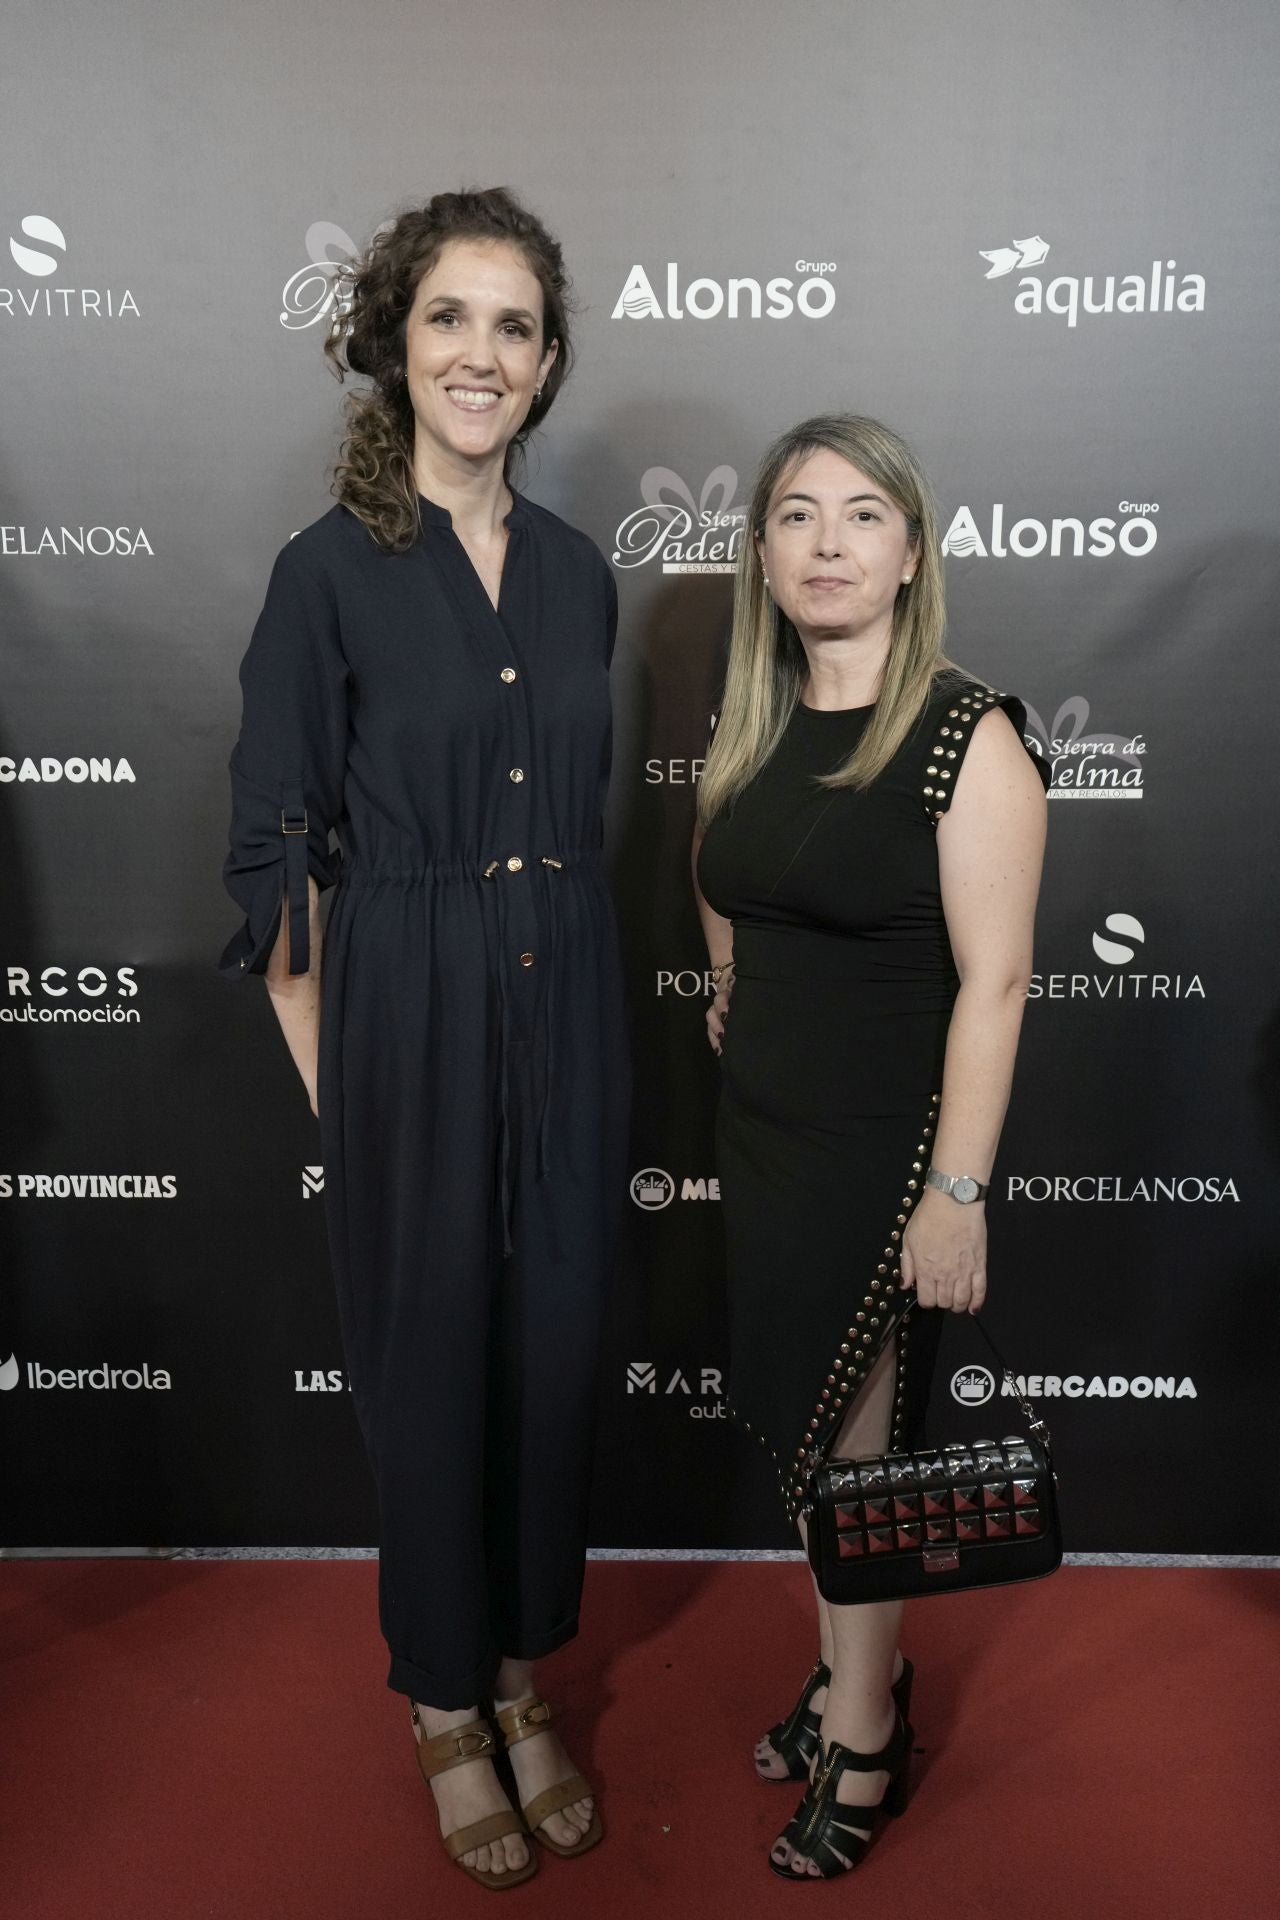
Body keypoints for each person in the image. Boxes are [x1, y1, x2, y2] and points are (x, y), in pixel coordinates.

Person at [219, 188, 628, 1891]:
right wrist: (354, 1086)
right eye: (451, 318)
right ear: (395, 338)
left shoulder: (583, 576)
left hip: (573, 1013)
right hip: (409, 1021)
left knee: (551, 1359)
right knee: (431, 1370)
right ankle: (445, 1705)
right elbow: (270, 855)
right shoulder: (326, 576)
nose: (482, 353)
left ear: (545, 367)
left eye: (515, 326)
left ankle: (526, 1669)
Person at [692, 414, 1048, 1881]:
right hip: (765, 1143)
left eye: (860, 517)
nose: (826, 543)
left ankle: (865, 1738)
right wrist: (731, 993)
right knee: (807, 1442)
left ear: (911, 556)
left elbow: (999, 981)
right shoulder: (753, 723)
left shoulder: (970, 735)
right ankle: (864, 1674)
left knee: (862, 1459)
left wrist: (955, 1192)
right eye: (795, 516)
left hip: (884, 1158)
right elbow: (726, 883)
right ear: (764, 556)